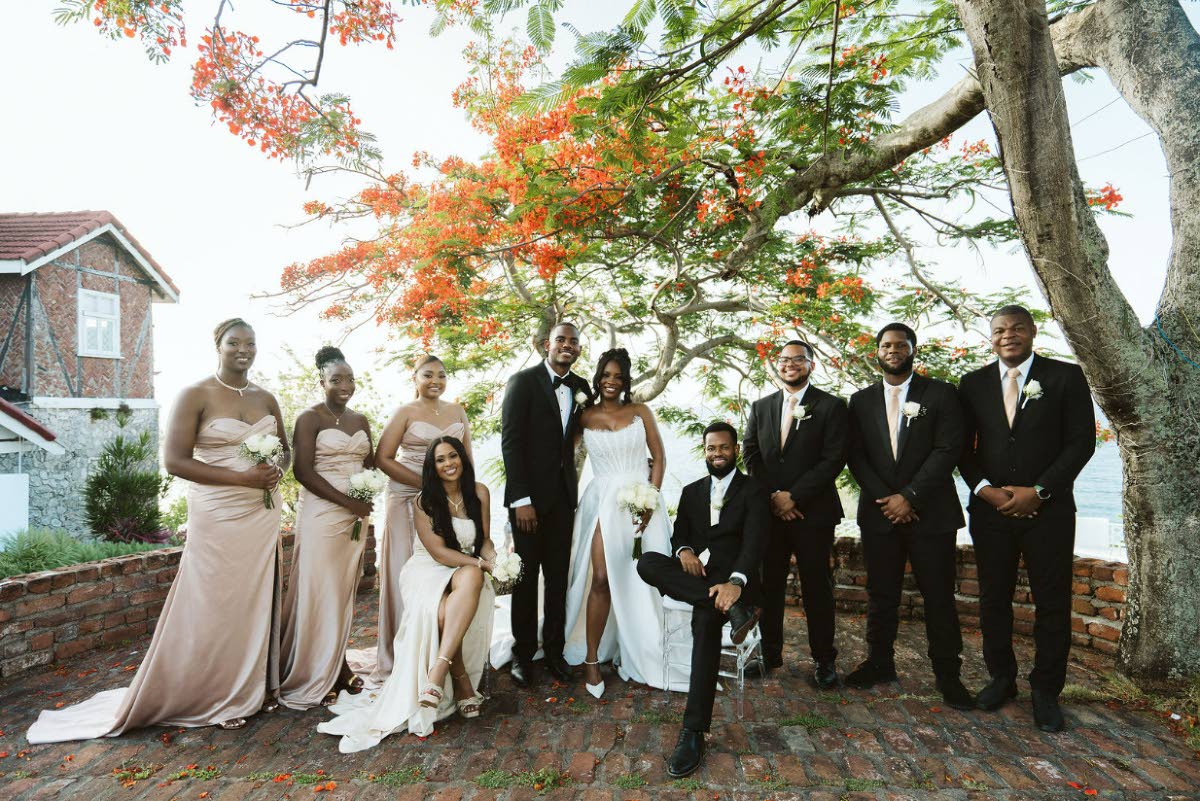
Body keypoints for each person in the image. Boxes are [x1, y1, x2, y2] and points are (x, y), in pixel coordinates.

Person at [27, 318, 290, 742]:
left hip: (261, 511)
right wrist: (244, 479)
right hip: (218, 511)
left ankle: (255, 687)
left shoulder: (266, 397)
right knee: (213, 599)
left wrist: (277, 470)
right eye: (234, 343)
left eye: (251, 343)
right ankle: (215, 693)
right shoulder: (195, 394)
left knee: (256, 596)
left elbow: (287, 449)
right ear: (217, 346)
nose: (244, 349)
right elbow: (175, 462)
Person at [958, 305, 1095, 732]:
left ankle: (1045, 690)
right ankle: (1002, 678)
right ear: (990, 337)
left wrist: (1040, 490)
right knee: (993, 598)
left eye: (1017, 328)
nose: (1008, 335)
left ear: (1033, 332)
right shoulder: (973, 383)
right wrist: (987, 491)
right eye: (999, 330)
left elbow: (1080, 442)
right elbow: (962, 449)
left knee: (1051, 602)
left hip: (1048, 512)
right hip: (991, 511)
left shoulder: (1065, 377)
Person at [318, 437, 496, 751]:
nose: (448, 464)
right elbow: (439, 553)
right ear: (433, 467)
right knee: (452, 598)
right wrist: (478, 563)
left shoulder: (479, 492)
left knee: (470, 577)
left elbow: (484, 540)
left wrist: (494, 560)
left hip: (464, 568)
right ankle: (458, 678)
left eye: (453, 456)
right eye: (440, 460)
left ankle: (438, 672)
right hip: (427, 569)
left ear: (463, 459)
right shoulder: (424, 500)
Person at [844, 324, 973, 709]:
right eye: (886, 345)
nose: (893, 350)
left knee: (939, 597)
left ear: (913, 350)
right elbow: (856, 456)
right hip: (880, 513)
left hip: (931, 513)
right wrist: (889, 499)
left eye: (901, 344)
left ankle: (948, 675)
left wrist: (911, 496)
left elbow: (949, 448)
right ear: (877, 352)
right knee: (881, 594)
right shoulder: (860, 400)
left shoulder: (941, 393)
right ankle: (879, 663)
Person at [637, 422, 767, 778]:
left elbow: (755, 543)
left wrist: (736, 584)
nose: (717, 454)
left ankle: (693, 732)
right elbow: (681, 534)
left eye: (724, 448)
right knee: (647, 562)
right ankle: (731, 609)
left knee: (706, 624)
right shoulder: (692, 491)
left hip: (737, 581)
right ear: (704, 450)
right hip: (702, 580)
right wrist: (684, 551)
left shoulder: (754, 490)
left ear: (735, 450)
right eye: (711, 448)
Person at [562, 348, 684, 697]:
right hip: (601, 502)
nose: (611, 382)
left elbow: (659, 457)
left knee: (641, 581)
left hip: (640, 501)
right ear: (597, 377)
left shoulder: (640, 411)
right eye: (606, 375)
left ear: (626, 381)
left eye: (618, 376)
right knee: (600, 577)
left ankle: (639, 645)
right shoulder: (584, 416)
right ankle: (591, 659)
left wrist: (651, 498)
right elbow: (564, 460)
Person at [743, 340, 848, 688]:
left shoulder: (831, 406)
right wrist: (774, 497)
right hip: (770, 515)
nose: (790, 365)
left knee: (817, 587)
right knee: (768, 587)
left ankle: (824, 661)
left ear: (811, 365)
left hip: (813, 514)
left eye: (798, 360)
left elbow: (833, 458)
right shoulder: (761, 407)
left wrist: (794, 497)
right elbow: (750, 454)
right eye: (785, 360)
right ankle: (769, 654)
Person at [278, 346, 375, 709]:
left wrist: (364, 494)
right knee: (322, 589)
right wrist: (347, 500)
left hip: (355, 516)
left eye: (349, 379)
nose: (345, 385)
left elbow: (368, 463)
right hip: (323, 512)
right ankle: (322, 670)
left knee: (343, 590)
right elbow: (302, 471)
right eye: (336, 379)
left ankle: (339, 661)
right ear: (322, 382)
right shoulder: (309, 418)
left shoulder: (360, 420)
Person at [369, 355, 472, 684]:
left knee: (445, 569)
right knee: (406, 572)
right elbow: (382, 457)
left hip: (448, 501)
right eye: (428, 375)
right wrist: (429, 486)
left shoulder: (457, 411)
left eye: (442, 375)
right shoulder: (405, 413)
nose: (435, 381)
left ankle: (443, 650)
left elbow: (465, 461)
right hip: (407, 498)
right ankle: (403, 658)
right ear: (415, 378)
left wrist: (463, 499)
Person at [500, 322, 589, 687]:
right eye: (561, 340)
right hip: (528, 503)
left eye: (573, 341)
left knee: (557, 581)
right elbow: (511, 442)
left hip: (564, 502)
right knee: (524, 581)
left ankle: (554, 652)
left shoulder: (581, 388)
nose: (567, 346)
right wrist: (522, 500)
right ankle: (522, 656)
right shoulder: (522, 382)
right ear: (545, 345)